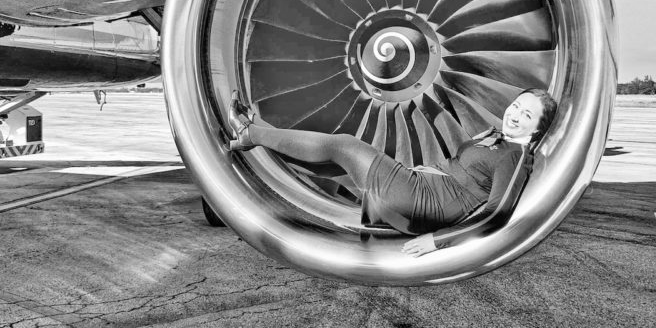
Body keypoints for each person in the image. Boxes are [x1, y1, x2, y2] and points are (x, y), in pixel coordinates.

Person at [226, 87, 558, 257]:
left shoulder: (516, 155)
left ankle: (252, 133)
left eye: (527, 116)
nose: (515, 115)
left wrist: (438, 242)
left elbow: (498, 214)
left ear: (537, 129)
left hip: (421, 201)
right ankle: (258, 137)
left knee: (343, 145)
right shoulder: (501, 141)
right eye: (516, 105)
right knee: (335, 165)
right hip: (420, 190)